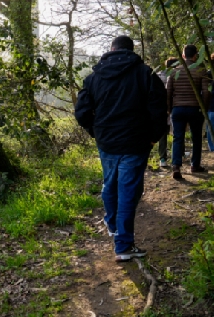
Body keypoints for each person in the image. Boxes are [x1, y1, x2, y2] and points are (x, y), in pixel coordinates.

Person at [75, 36, 167, 262]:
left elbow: (82, 113)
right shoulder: (146, 74)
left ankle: (113, 223)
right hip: (136, 143)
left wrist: (95, 132)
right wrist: (154, 137)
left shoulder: (94, 78)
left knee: (110, 182)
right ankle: (123, 245)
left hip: (107, 142)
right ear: (131, 50)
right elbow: (159, 109)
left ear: (111, 49)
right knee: (128, 190)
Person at [167, 44, 210, 180]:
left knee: (177, 137)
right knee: (196, 137)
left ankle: (176, 166)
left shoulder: (174, 71)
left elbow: (169, 92)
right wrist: (204, 107)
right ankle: (195, 164)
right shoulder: (200, 70)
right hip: (194, 108)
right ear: (195, 55)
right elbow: (206, 92)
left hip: (178, 108)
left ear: (183, 55)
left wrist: (169, 109)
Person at [157, 57, 178, 168]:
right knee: (178, 132)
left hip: (162, 108)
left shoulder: (158, 75)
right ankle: (179, 155)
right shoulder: (178, 74)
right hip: (175, 106)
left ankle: (163, 158)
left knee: (163, 134)